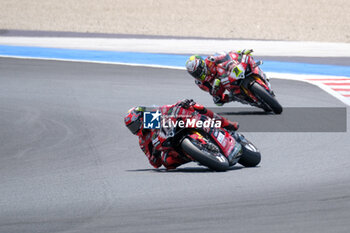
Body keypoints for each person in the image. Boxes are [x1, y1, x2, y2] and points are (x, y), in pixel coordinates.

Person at [124, 99, 238, 169]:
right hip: (172, 146)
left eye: (134, 126)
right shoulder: (143, 141)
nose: (134, 130)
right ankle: (199, 155)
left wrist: (183, 103)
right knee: (167, 162)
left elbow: (170, 108)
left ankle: (227, 124)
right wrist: (155, 153)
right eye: (131, 128)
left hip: (178, 126)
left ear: (141, 118)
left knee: (196, 107)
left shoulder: (152, 115)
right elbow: (154, 163)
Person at [185, 49, 254, 106]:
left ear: (201, 65)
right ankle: (237, 97)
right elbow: (213, 93)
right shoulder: (200, 83)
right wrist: (215, 88)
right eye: (194, 74)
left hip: (228, 72)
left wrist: (239, 55)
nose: (198, 74)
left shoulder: (210, 60)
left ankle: (245, 59)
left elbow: (225, 57)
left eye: (198, 71)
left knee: (233, 56)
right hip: (224, 84)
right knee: (218, 101)